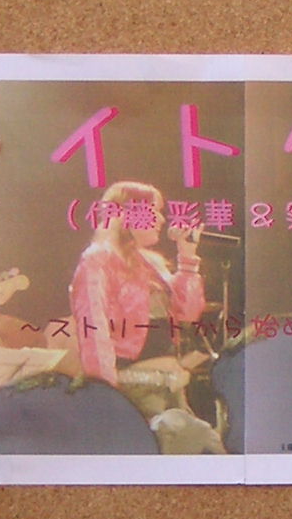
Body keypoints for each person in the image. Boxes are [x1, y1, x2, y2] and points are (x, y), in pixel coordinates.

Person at [69, 178, 214, 441]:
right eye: (154, 210)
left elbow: (188, 314)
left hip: (171, 384)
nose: (161, 219)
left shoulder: (153, 263)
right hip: (133, 386)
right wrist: (104, 393)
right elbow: (94, 330)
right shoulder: (99, 260)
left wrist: (187, 257)